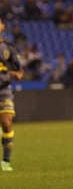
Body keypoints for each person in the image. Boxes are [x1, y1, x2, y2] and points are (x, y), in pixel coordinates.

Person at [0, 18, 24, 171]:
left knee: (7, 123)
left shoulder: (9, 48)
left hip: (4, 90)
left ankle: (5, 161)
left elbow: (20, 71)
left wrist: (17, 75)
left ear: (2, 26)